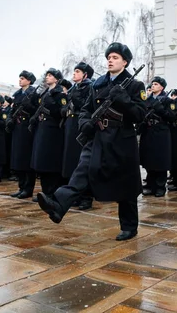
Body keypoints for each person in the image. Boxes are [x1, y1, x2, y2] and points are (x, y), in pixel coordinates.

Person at [37, 43, 147, 241]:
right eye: (109, 57)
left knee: (126, 183)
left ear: (125, 62)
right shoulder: (98, 84)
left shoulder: (134, 85)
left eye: (115, 57)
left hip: (122, 139)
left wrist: (124, 100)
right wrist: (85, 122)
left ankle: (129, 226)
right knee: (83, 170)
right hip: (98, 136)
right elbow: (86, 109)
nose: (110, 60)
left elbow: (140, 115)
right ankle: (58, 205)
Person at [30, 67, 67, 199]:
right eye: (47, 75)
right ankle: (45, 191)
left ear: (57, 79)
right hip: (42, 128)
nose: (47, 77)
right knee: (42, 162)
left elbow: (62, 113)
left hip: (53, 131)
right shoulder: (45, 93)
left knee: (51, 162)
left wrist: (51, 108)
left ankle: (51, 192)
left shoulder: (60, 94)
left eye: (51, 75)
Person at [61, 63, 94, 209]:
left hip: (82, 126)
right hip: (71, 124)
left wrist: (75, 98)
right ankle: (74, 195)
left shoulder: (89, 87)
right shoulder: (74, 88)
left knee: (83, 162)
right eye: (74, 71)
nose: (74, 74)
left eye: (78, 71)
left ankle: (86, 197)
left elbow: (87, 107)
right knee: (71, 161)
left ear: (85, 75)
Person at [140, 76, 174, 197]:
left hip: (161, 132)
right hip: (148, 131)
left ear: (162, 87)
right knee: (149, 160)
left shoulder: (168, 101)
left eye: (156, 84)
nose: (153, 86)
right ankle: (150, 185)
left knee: (160, 161)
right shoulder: (147, 100)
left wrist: (160, 110)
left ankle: (160, 186)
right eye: (152, 84)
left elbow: (172, 117)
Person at [9, 70, 38, 199]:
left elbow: (37, 111)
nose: (20, 80)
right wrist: (9, 119)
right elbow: (12, 110)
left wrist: (30, 106)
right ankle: (21, 187)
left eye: (22, 78)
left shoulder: (34, 93)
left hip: (28, 129)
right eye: (19, 78)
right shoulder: (17, 94)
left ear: (29, 80)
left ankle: (28, 188)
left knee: (26, 160)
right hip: (18, 127)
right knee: (18, 159)